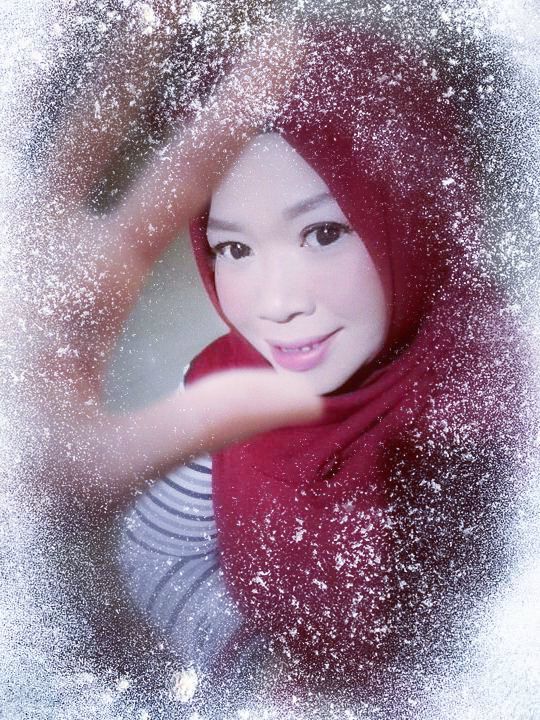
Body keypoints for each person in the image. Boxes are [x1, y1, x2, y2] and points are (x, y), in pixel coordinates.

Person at [117, 25, 530, 699]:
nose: (277, 305)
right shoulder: (224, 392)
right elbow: (162, 552)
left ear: (417, 215)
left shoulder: (506, 397)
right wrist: (264, 675)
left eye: (325, 232)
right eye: (234, 249)